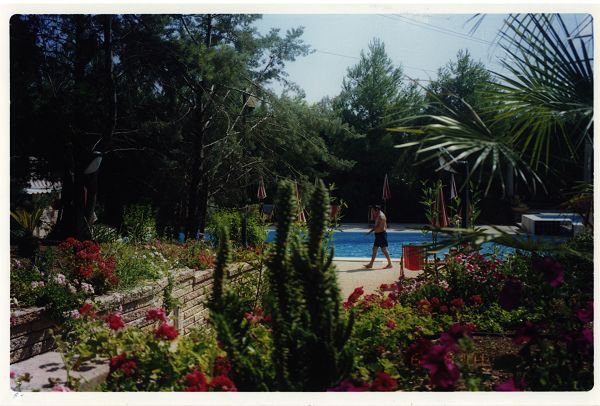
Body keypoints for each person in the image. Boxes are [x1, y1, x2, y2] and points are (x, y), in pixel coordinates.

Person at [364, 205, 393, 269]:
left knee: (384, 250)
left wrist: (369, 232)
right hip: (379, 235)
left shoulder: (380, 216)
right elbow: (381, 224)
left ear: (376, 210)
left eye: (373, 211)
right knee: (374, 249)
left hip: (381, 235)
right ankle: (371, 264)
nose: (372, 212)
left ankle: (390, 264)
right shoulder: (379, 214)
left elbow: (376, 226)